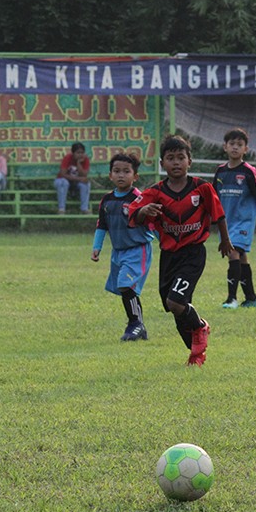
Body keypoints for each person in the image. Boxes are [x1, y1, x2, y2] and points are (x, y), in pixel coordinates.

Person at [129, 135, 233, 366]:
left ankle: (200, 327)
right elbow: (133, 212)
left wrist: (225, 240)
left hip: (193, 254)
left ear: (190, 161)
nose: (176, 162)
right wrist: (145, 210)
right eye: (170, 158)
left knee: (176, 302)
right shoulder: (155, 192)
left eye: (180, 158)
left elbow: (219, 215)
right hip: (169, 256)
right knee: (173, 306)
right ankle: (196, 354)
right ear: (162, 164)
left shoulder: (202, 188)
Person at [91, 153, 155, 342]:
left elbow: (152, 223)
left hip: (138, 249)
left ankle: (135, 324)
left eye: (126, 171)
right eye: (117, 171)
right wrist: (97, 247)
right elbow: (102, 225)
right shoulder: (107, 200)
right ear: (110, 175)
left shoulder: (139, 198)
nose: (121, 175)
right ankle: (138, 326)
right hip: (118, 251)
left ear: (135, 176)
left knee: (126, 285)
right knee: (125, 289)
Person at [212, 127, 256, 308]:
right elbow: (213, 197)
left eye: (239, 145)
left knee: (233, 252)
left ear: (245, 149)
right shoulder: (221, 171)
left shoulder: (248, 171)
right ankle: (252, 298)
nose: (235, 148)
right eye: (232, 144)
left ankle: (231, 298)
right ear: (225, 147)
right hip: (226, 222)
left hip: (243, 222)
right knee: (241, 258)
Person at [56, 142, 92, 214]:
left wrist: (78, 163)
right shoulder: (67, 158)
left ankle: (84, 208)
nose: (80, 155)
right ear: (73, 153)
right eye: (78, 153)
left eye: (82, 152)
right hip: (64, 180)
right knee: (63, 183)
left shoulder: (85, 159)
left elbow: (84, 174)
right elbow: (63, 174)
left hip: (77, 182)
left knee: (86, 184)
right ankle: (61, 209)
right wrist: (79, 179)